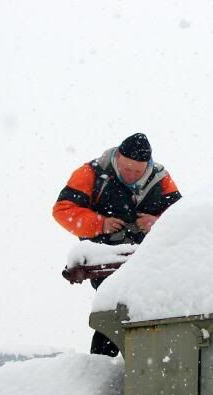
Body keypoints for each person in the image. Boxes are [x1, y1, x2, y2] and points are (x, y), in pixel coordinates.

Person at [53, 133, 182, 356]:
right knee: (113, 311)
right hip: (107, 259)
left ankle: (146, 364)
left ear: (148, 166)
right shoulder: (91, 173)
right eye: (126, 169)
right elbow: (63, 211)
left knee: (152, 311)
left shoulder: (162, 179)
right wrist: (100, 224)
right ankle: (104, 368)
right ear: (117, 158)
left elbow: (182, 217)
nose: (131, 175)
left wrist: (156, 222)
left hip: (150, 260)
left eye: (137, 171)